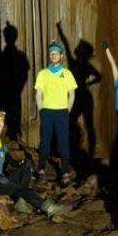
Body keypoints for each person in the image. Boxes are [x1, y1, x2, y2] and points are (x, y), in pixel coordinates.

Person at [0, 109, 66, 216]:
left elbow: (11, 162)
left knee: (25, 169)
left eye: (1, 121)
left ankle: (21, 202)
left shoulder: (1, 145)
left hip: (1, 178)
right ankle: (48, 207)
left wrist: (23, 162)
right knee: (18, 188)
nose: (0, 123)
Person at [34, 41, 78, 184]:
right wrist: (41, 109)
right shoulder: (43, 74)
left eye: (55, 53)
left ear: (61, 55)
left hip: (62, 112)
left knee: (63, 142)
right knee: (45, 141)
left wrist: (68, 109)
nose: (53, 56)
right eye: (51, 54)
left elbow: (72, 93)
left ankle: (65, 172)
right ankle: (41, 170)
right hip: (47, 111)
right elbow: (38, 93)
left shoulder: (67, 74)